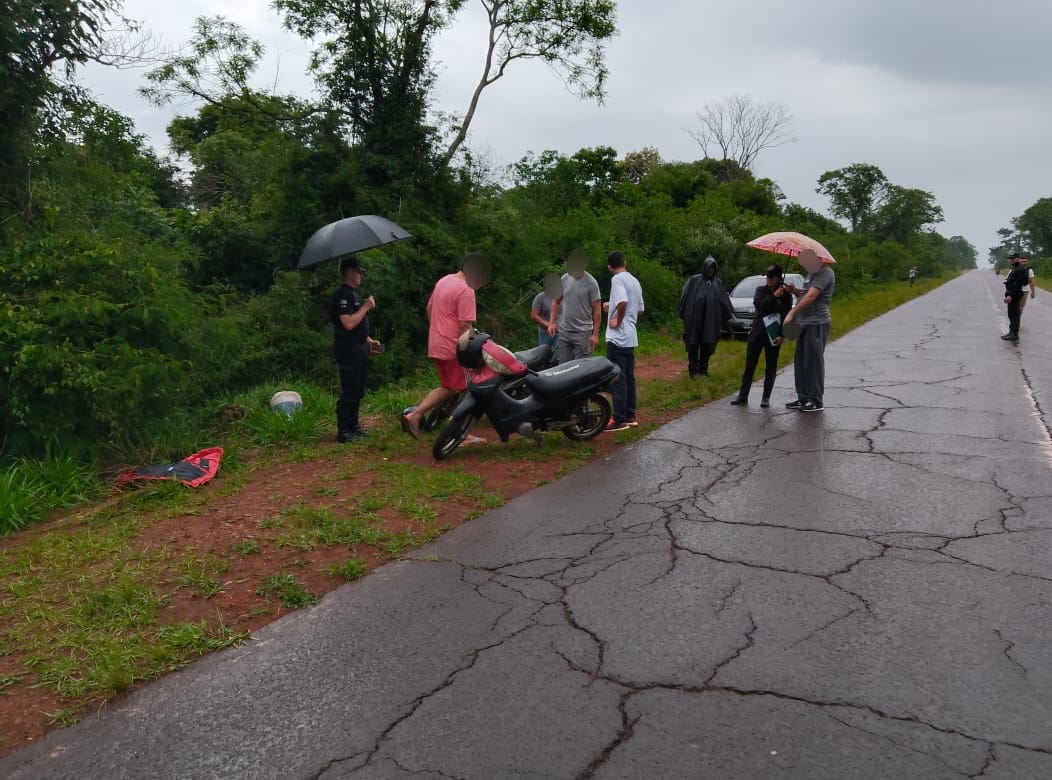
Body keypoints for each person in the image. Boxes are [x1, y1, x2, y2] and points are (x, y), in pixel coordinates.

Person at [400, 255, 488, 440]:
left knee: (448, 387)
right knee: (468, 387)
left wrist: (439, 330)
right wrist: (474, 345)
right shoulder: (466, 290)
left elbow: (429, 309)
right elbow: (465, 326)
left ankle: (414, 416)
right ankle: (460, 433)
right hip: (453, 347)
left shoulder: (445, 280)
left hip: (437, 343)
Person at [331, 256, 381, 442]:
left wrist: (369, 340)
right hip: (348, 349)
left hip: (359, 347)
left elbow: (357, 325)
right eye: (359, 272)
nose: (361, 276)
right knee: (350, 389)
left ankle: (354, 426)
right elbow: (348, 323)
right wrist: (366, 307)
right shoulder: (342, 295)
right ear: (350, 272)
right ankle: (344, 431)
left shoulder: (352, 294)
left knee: (358, 389)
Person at [730, 264, 793, 408]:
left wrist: (782, 335)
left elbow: (786, 316)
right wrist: (773, 296)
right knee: (749, 366)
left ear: (778, 279)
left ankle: (766, 397)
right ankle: (743, 396)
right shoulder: (760, 290)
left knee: (771, 367)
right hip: (757, 334)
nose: (769, 280)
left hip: (773, 335)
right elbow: (760, 306)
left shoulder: (786, 296)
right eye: (768, 277)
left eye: (772, 278)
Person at [783, 249, 835, 412]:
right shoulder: (811, 275)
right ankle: (803, 397)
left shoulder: (826, 273)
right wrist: (795, 291)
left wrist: (792, 312)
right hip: (804, 323)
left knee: (813, 362)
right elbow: (805, 293)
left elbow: (812, 296)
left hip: (816, 322)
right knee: (801, 361)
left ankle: (816, 400)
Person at [602, 251, 645, 432]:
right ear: (625, 263)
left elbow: (623, 302)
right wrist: (611, 308)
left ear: (610, 266)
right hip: (630, 336)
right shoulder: (634, 281)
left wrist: (618, 321)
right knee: (629, 377)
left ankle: (619, 418)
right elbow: (640, 309)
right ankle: (630, 415)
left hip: (618, 337)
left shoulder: (617, 280)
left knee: (617, 378)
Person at [677, 255, 732, 377]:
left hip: (710, 320)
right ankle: (693, 369)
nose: (711, 271)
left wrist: (724, 317)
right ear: (705, 268)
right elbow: (685, 298)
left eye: (713, 268)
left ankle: (703, 369)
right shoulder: (694, 281)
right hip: (694, 320)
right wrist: (685, 315)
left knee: (707, 344)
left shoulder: (717, 284)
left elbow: (724, 301)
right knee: (693, 344)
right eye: (709, 268)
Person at [547, 249, 602, 364]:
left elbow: (597, 310)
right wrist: (552, 322)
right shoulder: (565, 279)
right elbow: (556, 301)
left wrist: (595, 335)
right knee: (562, 366)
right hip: (564, 331)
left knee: (580, 368)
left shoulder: (591, 283)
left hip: (582, 332)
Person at [531, 273, 561, 357]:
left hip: (560, 331)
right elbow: (534, 315)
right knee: (544, 355)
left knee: (558, 353)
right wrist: (548, 325)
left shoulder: (562, 296)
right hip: (544, 332)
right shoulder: (540, 297)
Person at [1001, 252, 1028, 341]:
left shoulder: (1019, 269)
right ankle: (1012, 332)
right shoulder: (1015, 268)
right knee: (1011, 315)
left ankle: (1014, 334)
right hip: (1012, 293)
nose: (1011, 260)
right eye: (1010, 259)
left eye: (1013, 258)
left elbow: (1017, 284)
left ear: (1018, 259)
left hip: (1014, 295)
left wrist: (1010, 295)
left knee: (1014, 315)